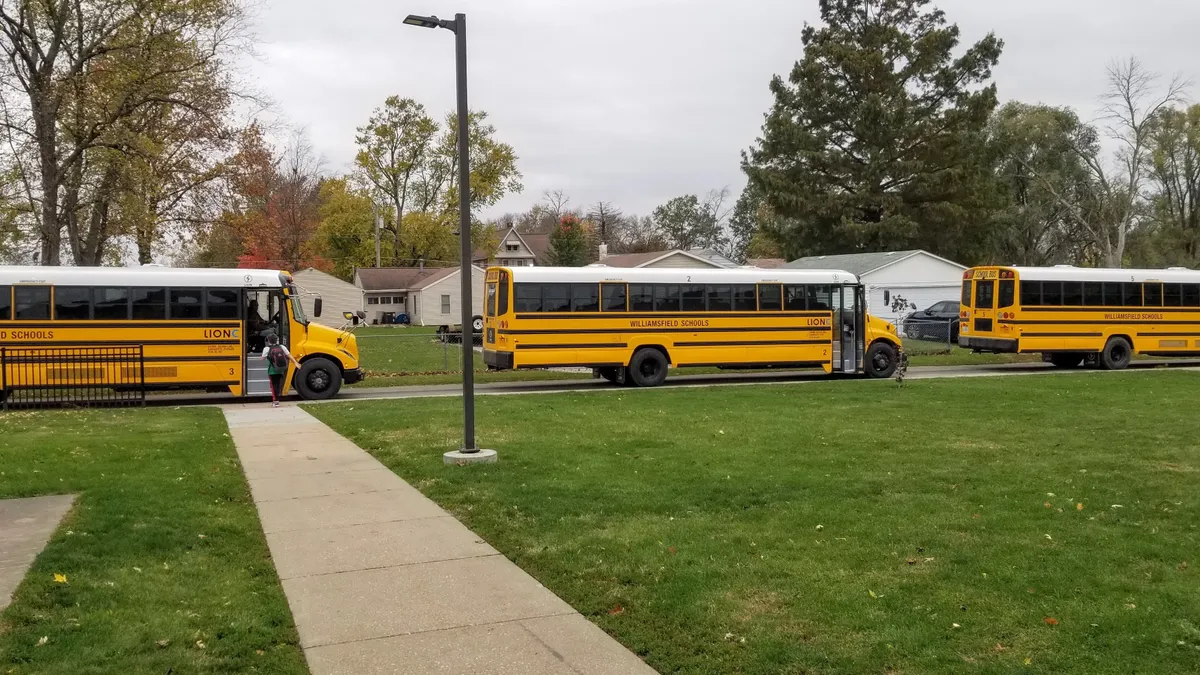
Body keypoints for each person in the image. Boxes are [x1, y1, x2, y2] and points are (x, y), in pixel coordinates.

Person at [261, 334, 300, 407]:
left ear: (268, 341)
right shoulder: (282, 347)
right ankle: (277, 399)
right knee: (278, 384)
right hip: (281, 369)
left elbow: (262, 358)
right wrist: (295, 362)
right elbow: (289, 355)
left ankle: (275, 401)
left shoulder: (267, 349)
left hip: (272, 370)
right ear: (277, 340)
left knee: (273, 385)